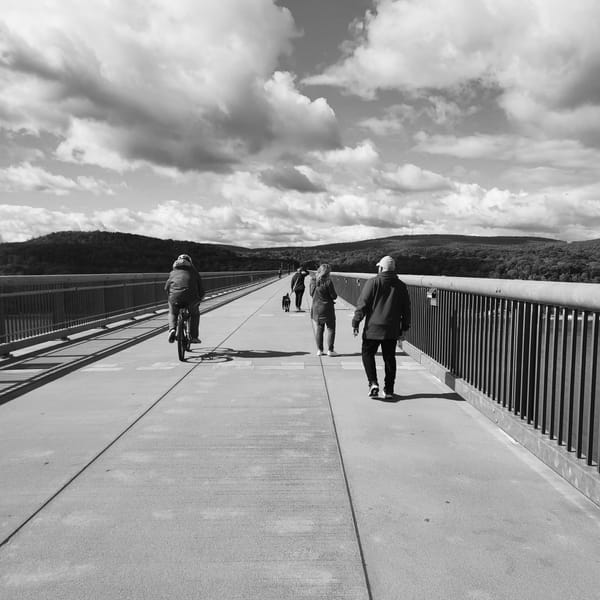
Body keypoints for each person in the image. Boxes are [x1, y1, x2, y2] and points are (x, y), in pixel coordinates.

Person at [352, 255, 411, 399]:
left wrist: (356, 321)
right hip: (391, 329)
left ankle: (373, 383)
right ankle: (389, 390)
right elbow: (406, 309)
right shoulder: (401, 285)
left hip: (373, 327)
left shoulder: (373, 282)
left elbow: (363, 304)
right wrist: (404, 327)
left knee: (367, 354)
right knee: (389, 358)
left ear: (381, 268)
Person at [165, 254, 205, 344]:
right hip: (191, 298)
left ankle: (172, 329)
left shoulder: (172, 273)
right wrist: (200, 298)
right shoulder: (194, 272)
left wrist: (170, 297)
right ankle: (194, 337)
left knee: (172, 312)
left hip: (174, 298)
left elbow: (166, 288)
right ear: (190, 263)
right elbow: (201, 289)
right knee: (194, 314)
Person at [309, 263, 338, 356]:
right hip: (327, 308)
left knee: (319, 328)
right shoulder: (328, 282)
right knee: (331, 328)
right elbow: (334, 296)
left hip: (317, 308)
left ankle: (320, 350)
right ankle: (330, 350)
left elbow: (311, 293)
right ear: (327, 272)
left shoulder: (313, 280)